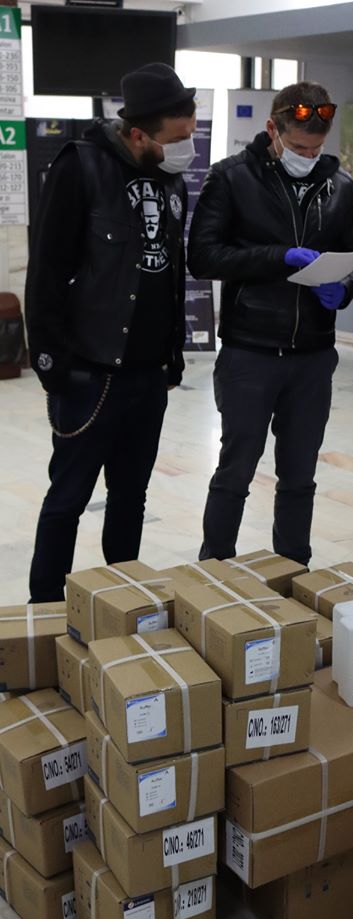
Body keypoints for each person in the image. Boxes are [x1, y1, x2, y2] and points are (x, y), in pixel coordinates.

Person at [26, 63, 196, 601]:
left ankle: (121, 604)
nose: (186, 149)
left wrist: (172, 357)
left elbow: (169, 271)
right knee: (67, 500)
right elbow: (46, 269)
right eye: (177, 139)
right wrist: (51, 363)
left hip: (148, 375)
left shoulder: (169, 177)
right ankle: (44, 610)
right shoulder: (81, 167)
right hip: (90, 373)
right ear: (138, 134)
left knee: (130, 498)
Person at [188, 81, 353, 565]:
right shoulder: (231, 178)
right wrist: (278, 257)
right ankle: (215, 570)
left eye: (315, 149)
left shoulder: (340, 186)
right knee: (235, 470)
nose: (307, 157)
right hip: (250, 350)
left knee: (300, 475)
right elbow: (202, 256)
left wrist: (344, 289)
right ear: (272, 129)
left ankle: (293, 570)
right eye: (298, 147)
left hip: (312, 355)